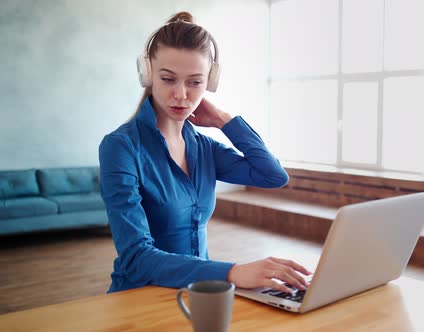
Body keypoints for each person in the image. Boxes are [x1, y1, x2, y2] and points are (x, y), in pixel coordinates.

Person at [99, 11, 311, 294]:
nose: (181, 95)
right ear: (148, 74)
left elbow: (273, 175)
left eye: (195, 82)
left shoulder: (203, 147)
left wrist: (225, 120)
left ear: (210, 83)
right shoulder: (121, 147)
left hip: (199, 294)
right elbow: (136, 258)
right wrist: (234, 272)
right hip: (140, 296)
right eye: (168, 79)